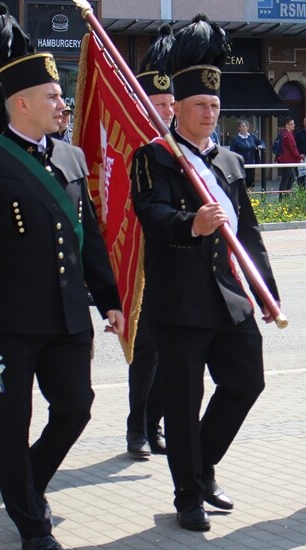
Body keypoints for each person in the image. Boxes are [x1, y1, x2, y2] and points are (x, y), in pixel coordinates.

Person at [0, 4, 123, 550]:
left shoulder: (71, 157)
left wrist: (109, 298)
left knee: (76, 407)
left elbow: (87, 237)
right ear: (20, 103)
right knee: (14, 419)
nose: (61, 103)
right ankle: (30, 522)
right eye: (52, 96)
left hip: (67, 315)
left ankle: (24, 482)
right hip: (10, 320)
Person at [130, 14, 280, 532]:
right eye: (200, 106)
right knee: (183, 399)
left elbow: (249, 231)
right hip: (180, 298)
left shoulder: (231, 162)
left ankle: (202, 466)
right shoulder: (155, 157)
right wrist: (189, 223)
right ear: (178, 108)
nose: (210, 114)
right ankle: (187, 495)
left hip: (230, 294)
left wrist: (266, 290)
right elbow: (149, 213)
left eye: (215, 106)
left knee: (246, 382)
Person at [125, 24, 177, 460]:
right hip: (139, 258)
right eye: (159, 104)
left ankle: (155, 424)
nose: (167, 111)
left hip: (176, 257)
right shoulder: (133, 146)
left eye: (170, 103)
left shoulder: (181, 145)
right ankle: (136, 427)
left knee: (170, 350)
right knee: (145, 350)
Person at [229, 120, 264, 188]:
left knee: (251, 183)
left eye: (243, 126)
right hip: (241, 165)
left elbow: (262, 143)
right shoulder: (236, 139)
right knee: (242, 184)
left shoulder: (252, 137)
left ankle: (251, 195)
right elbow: (232, 152)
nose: (241, 128)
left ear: (247, 127)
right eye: (240, 127)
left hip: (251, 164)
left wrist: (260, 146)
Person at [275, 118, 302, 193]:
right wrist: (299, 157)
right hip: (287, 160)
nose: (294, 125)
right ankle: (282, 196)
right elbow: (293, 148)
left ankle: (286, 195)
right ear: (287, 125)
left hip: (287, 160)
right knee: (286, 179)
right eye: (292, 124)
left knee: (291, 178)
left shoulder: (284, 133)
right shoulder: (288, 135)